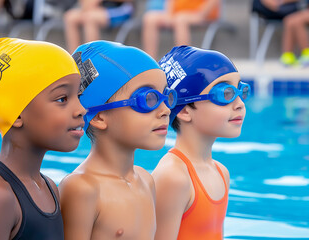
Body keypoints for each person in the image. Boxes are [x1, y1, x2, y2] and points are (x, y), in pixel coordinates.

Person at [0, 37, 86, 240]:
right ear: (16, 114)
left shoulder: (49, 188)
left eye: (78, 96)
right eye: (62, 99)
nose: (81, 109)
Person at [59, 40, 177, 240]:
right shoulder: (82, 189)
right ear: (98, 116)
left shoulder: (146, 181)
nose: (165, 110)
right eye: (148, 99)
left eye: (166, 96)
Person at [153, 46, 251, 239]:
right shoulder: (173, 177)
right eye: (226, 94)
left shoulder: (222, 173)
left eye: (240, 90)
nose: (240, 103)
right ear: (184, 110)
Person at [142, 0, 220, 60]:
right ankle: (150, 62)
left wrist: (201, 14)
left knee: (180, 20)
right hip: (178, 12)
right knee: (150, 18)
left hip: (202, 13)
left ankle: (181, 61)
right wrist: (169, 14)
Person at [63, 0, 134, 53]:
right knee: (70, 17)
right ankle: (74, 58)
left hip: (119, 8)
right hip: (95, 9)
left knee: (90, 18)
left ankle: (92, 59)